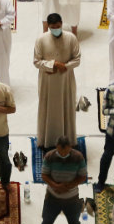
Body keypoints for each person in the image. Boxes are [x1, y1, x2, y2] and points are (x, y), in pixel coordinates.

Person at [33, 14, 81, 148]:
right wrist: (53, 65)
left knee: (67, 107)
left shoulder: (71, 38)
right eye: (52, 27)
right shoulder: (41, 39)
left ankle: (68, 139)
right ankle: (46, 140)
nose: (56, 29)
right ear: (48, 26)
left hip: (65, 79)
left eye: (58, 26)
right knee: (47, 109)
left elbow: (77, 59)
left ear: (62, 23)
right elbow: (36, 61)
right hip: (48, 81)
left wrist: (64, 66)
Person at [38, 135, 88, 224]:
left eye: (66, 152)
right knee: (46, 223)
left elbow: (83, 176)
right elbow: (44, 175)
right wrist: (56, 186)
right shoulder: (49, 156)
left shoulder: (78, 157)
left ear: (71, 147)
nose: (64, 154)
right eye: (61, 152)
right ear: (57, 147)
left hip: (72, 198)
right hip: (52, 197)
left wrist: (69, 186)